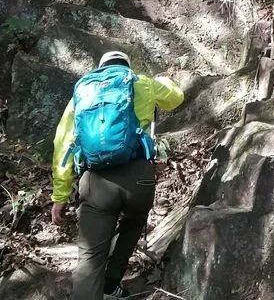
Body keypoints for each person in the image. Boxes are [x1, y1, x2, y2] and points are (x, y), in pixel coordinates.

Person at [51, 51, 184, 300]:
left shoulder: (83, 94)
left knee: (90, 256)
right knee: (134, 221)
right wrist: (164, 80)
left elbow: (63, 144)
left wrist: (60, 194)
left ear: (101, 68)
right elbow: (176, 97)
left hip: (96, 181)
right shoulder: (141, 82)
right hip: (139, 177)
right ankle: (112, 283)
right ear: (127, 66)